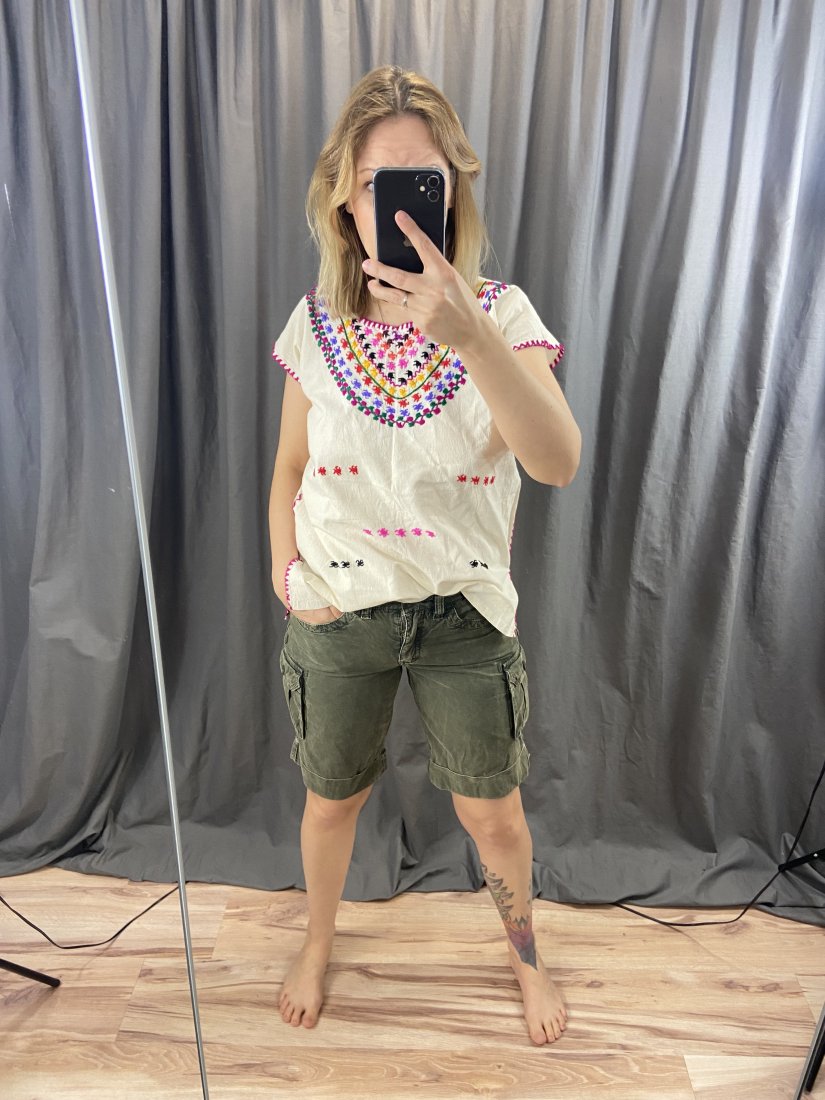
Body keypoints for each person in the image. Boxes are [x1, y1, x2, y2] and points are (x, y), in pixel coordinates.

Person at [268, 65, 580, 1047]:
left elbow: (556, 461)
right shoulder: (316, 325)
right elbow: (287, 469)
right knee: (333, 801)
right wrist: (285, 574)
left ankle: (525, 956)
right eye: (378, 185)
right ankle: (318, 940)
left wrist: (471, 336)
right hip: (339, 607)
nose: (402, 208)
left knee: (495, 816)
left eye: (425, 183)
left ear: (453, 193)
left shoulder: (505, 315)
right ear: (344, 201)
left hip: (463, 613)